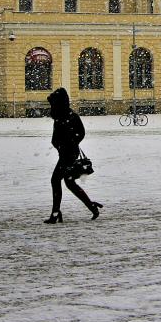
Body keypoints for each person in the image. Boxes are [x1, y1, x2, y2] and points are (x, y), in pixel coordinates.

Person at [45, 87, 102, 222]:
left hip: (68, 154)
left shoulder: (69, 116)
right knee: (69, 182)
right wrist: (60, 144)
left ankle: (55, 213)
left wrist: (68, 144)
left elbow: (80, 134)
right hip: (66, 153)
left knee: (56, 180)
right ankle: (92, 207)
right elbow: (60, 136)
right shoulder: (61, 116)